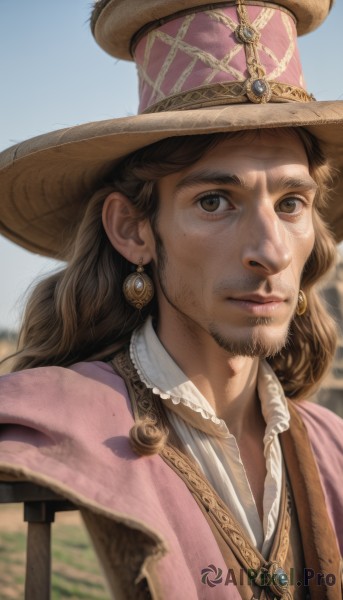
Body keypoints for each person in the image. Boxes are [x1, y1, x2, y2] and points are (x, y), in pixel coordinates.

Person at [0, 0, 342, 598]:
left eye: (292, 204)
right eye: (215, 200)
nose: (272, 251)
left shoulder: (332, 447)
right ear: (133, 231)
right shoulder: (41, 421)